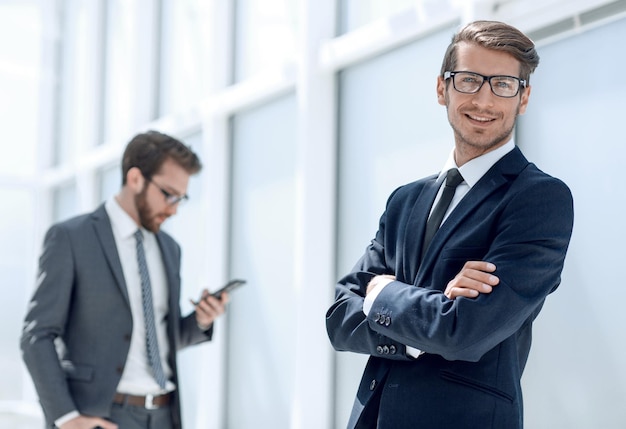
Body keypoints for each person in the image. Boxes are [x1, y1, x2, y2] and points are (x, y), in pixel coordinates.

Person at [325, 20, 574, 429]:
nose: (484, 99)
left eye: (503, 85)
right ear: (442, 88)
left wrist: (383, 292)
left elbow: (466, 332)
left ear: (523, 98)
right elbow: (339, 318)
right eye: (470, 80)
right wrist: (435, 311)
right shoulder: (405, 200)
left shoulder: (539, 199)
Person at [21, 130, 228, 429]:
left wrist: (201, 321)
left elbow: (155, 339)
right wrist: (66, 418)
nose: (174, 208)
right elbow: (36, 336)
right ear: (135, 179)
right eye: (168, 194)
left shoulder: (169, 249)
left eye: (182, 198)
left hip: (163, 414)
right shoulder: (71, 238)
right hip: (101, 415)